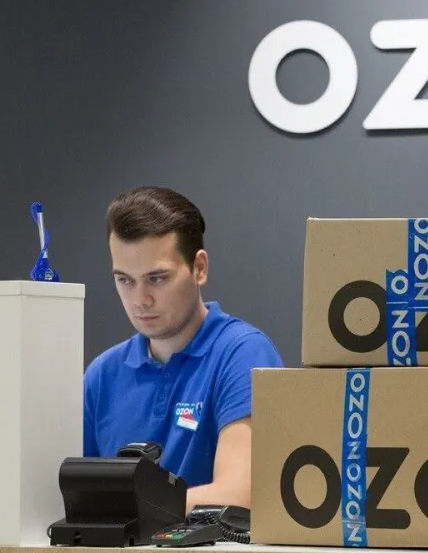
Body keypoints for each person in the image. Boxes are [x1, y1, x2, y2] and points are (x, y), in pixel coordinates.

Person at [82, 186, 284, 511]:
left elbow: (241, 496)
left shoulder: (244, 353)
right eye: (125, 280)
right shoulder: (101, 375)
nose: (140, 299)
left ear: (199, 268)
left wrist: (120, 511)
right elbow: (67, 499)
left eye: (157, 278)